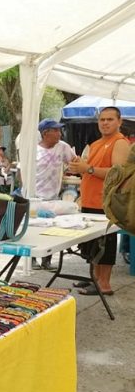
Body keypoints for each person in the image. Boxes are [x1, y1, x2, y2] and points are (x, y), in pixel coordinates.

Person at [68, 106, 129, 296]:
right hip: (90, 200)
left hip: (107, 202)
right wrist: (79, 167)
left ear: (119, 122)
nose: (105, 123)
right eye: (102, 119)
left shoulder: (120, 142)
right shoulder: (95, 144)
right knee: (93, 244)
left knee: (105, 244)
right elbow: (88, 169)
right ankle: (94, 278)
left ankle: (104, 284)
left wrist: (88, 169)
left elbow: (118, 174)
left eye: (110, 119)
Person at [31, 119, 80, 271]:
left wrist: (77, 165)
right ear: (45, 133)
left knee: (51, 229)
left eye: (60, 130)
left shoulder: (63, 147)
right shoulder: (33, 149)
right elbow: (22, 171)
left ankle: (47, 260)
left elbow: (75, 163)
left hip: (53, 196)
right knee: (34, 229)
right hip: (34, 196)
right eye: (56, 130)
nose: (60, 133)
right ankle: (32, 259)